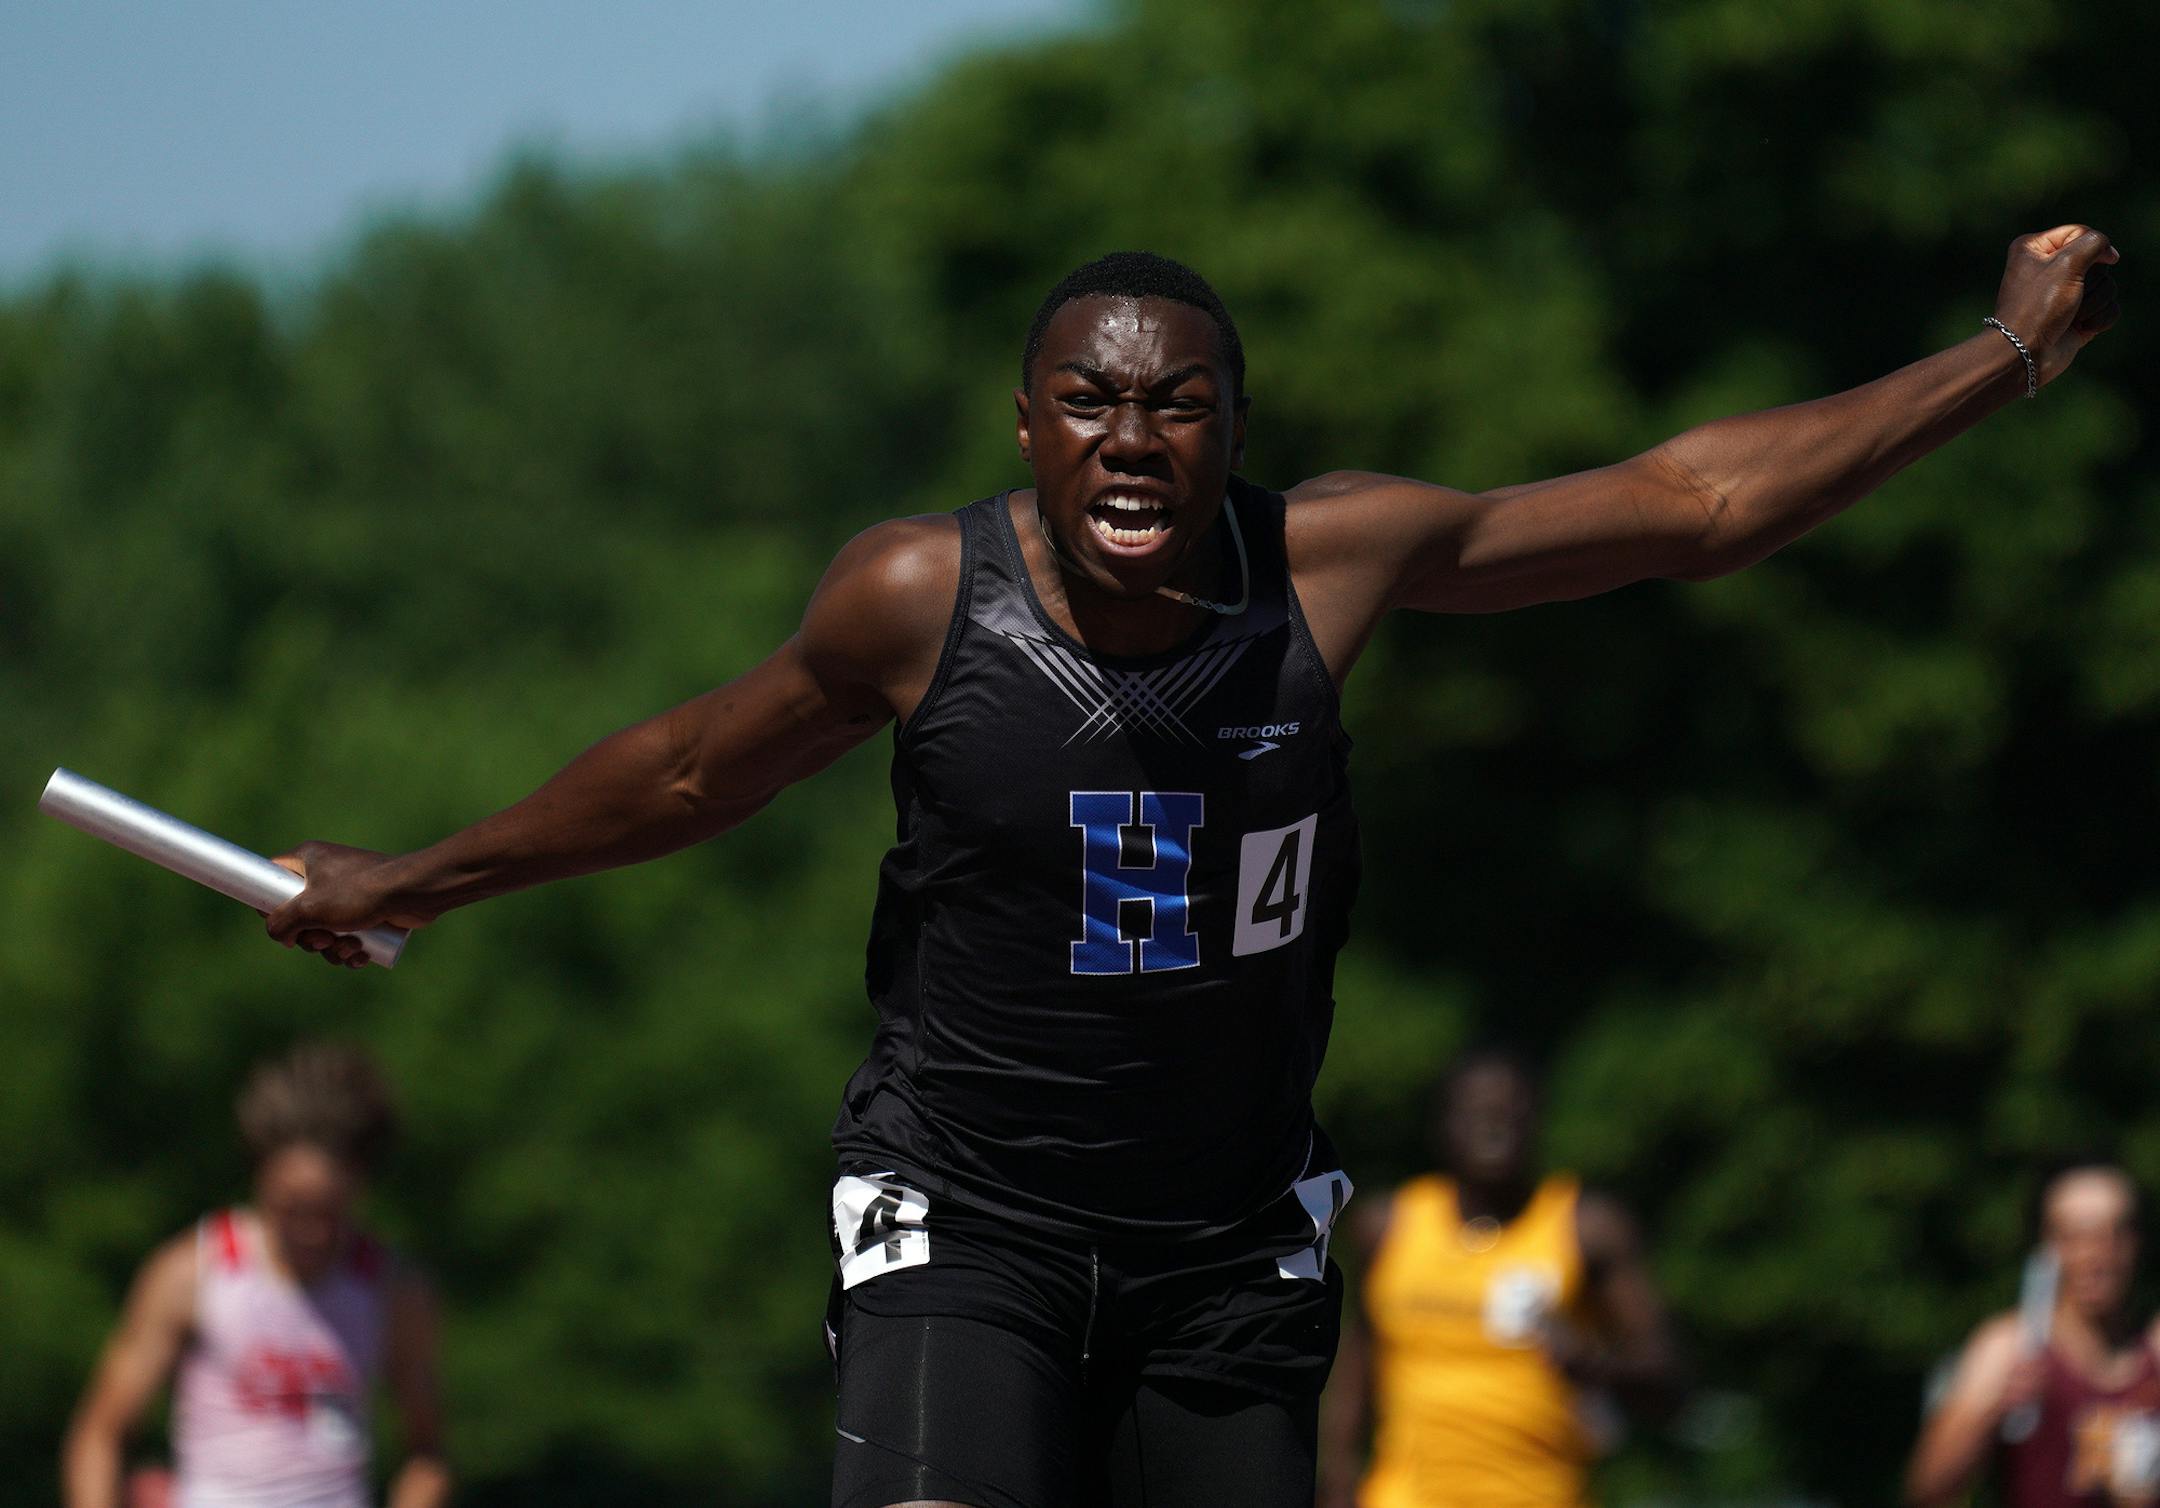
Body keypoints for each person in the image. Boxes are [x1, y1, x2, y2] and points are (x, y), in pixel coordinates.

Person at [263, 226, 2118, 1508]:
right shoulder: (919, 598)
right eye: (1089, 401)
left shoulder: (1332, 565)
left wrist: (2006, 355)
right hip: (965, 1204)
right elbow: (682, 767)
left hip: (1229, 1237)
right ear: (1027, 425)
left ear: (1236, 426)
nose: (1132, 440)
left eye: (1178, 405)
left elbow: (1696, 507)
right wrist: (421, 873)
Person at [62, 1044, 449, 1508]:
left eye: (329, 1211)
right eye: (290, 1208)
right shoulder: (192, 1272)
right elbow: (100, 1434)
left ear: (361, 1185)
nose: (311, 1230)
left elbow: (427, 1456)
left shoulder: (394, 1291)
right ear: (259, 1178)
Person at [1318, 1051, 1681, 1508]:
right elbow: (1357, 1364)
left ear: (1538, 1120)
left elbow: (1668, 1385)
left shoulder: (1586, 1228)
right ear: (1441, 1125)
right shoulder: (1388, 1226)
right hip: (1405, 1496)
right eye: (1474, 1111)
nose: (1492, 1124)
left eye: (1509, 1111)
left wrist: (1593, 1363)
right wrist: (1338, 1475)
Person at [1906, 1158, 2160, 1508]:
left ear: (2137, 1242)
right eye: (2074, 1236)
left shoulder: (2155, 1350)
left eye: (2113, 1234)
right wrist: (1991, 1412)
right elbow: (1927, 1488)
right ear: (2047, 1247)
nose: (2094, 1255)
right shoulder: (2010, 1347)